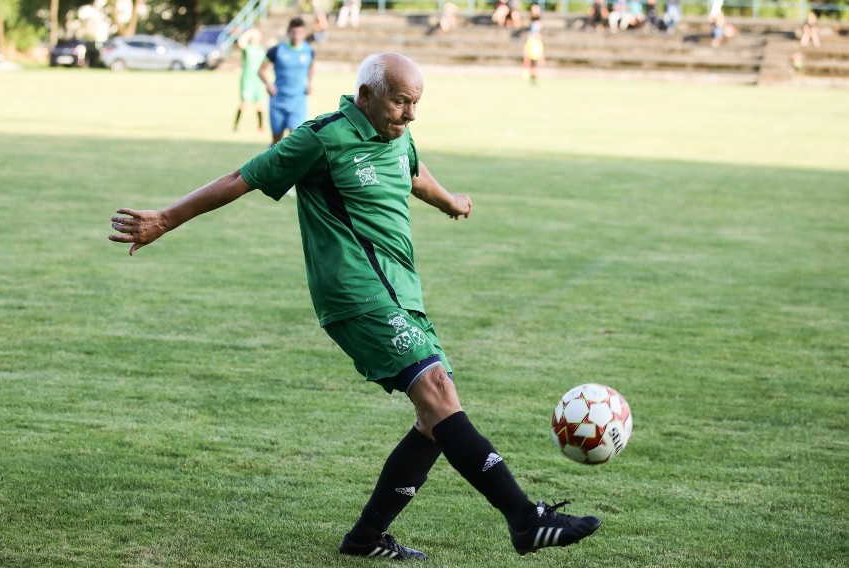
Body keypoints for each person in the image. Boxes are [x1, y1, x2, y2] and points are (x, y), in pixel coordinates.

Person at [108, 52, 602, 560]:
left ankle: (364, 540)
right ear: (365, 95)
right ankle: (525, 519)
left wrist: (450, 200)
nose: (410, 115)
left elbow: (411, 170)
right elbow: (242, 178)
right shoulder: (321, 138)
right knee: (436, 391)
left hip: (400, 293)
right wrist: (165, 219)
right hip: (356, 292)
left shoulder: (397, 134)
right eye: (400, 102)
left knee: (436, 419)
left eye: (416, 104)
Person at [258, 17, 315, 146]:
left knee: (296, 140)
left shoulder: (309, 51)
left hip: (298, 102)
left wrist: (310, 82)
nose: (296, 36)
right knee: (276, 142)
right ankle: (272, 165)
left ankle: (294, 166)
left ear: (304, 33)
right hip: (278, 101)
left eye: (299, 33)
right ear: (288, 32)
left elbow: (311, 66)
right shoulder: (276, 50)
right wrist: (268, 84)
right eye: (293, 32)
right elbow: (261, 70)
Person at [233, 28, 267, 132]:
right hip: (248, 79)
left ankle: (260, 127)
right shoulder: (247, 48)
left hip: (258, 80)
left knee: (260, 104)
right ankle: (236, 126)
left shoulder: (261, 50)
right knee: (245, 103)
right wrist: (249, 33)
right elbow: (240, 42)